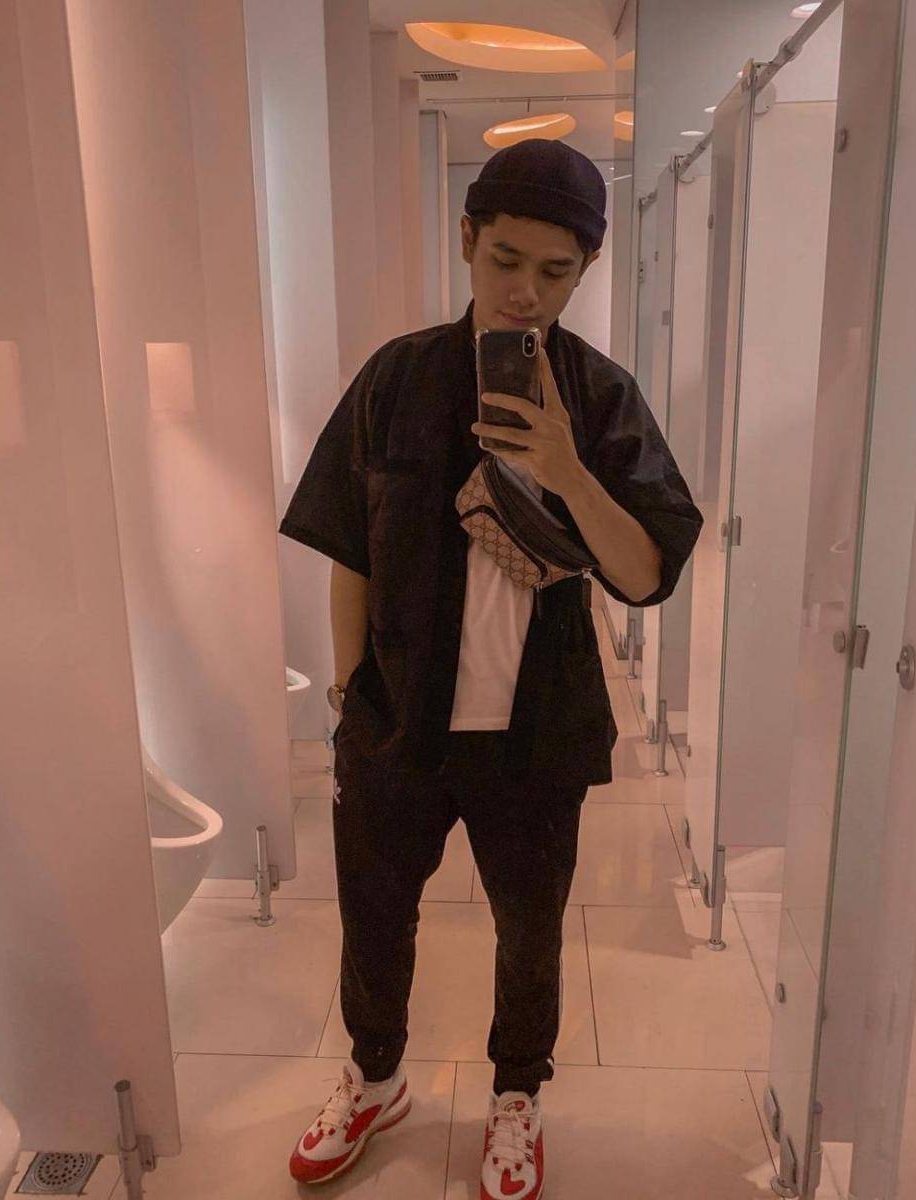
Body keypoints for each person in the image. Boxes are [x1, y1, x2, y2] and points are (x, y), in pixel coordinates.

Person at [279, 138, 703, 1198]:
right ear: (467, 239)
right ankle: (376, 1079)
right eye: (505, 260)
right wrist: (348, 698)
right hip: (396, 723)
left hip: (537, 731)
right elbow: (350, 549)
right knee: (376, 916)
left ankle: (517, 1092)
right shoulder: (396, 378)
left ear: (585, 271)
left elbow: (647, 574)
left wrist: (565, 468)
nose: (524, 293)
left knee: (530, 929)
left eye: (555, 272)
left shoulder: (598, 397)